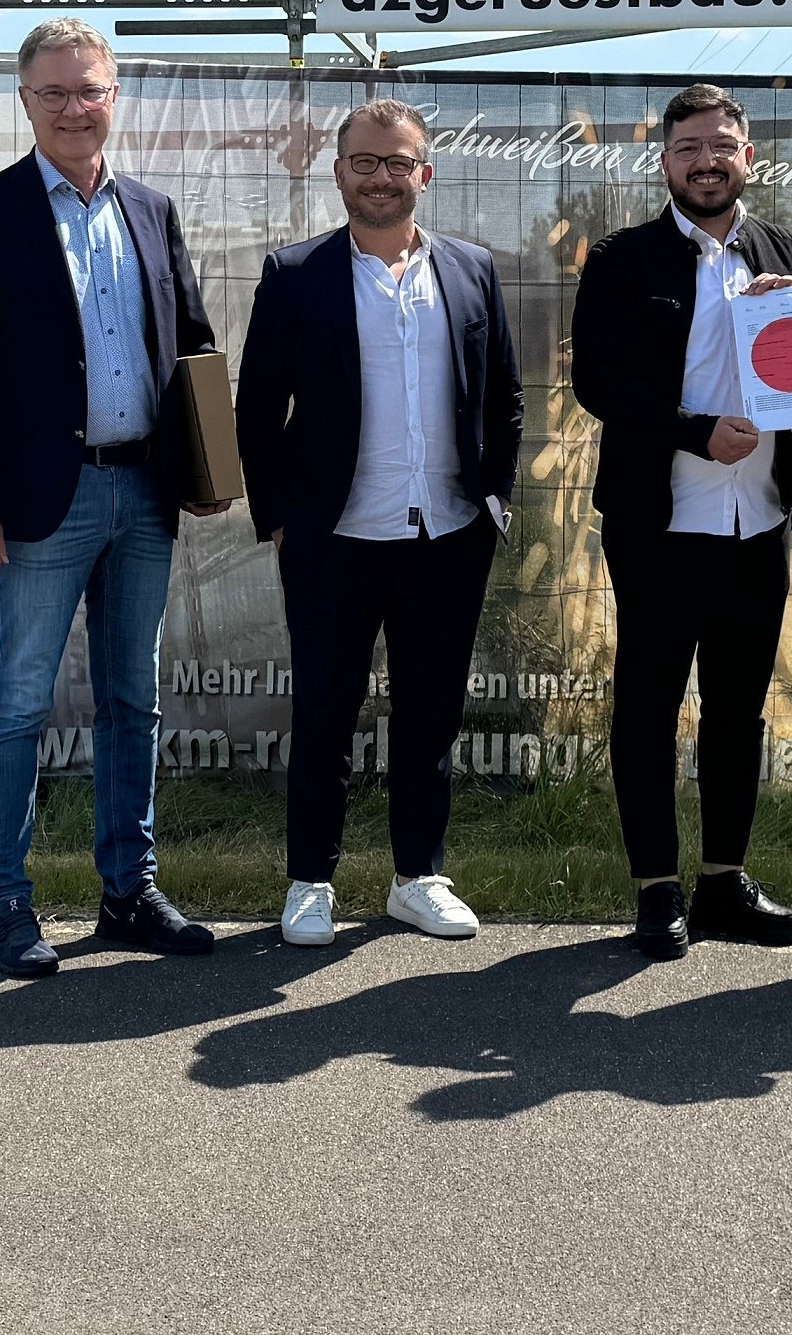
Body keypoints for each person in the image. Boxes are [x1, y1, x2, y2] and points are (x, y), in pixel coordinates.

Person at [0, 20, 229, 978]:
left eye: (87, 90)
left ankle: (128, 896)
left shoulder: (151, 209)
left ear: (114, 95)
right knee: (19, 706)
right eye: (52, 93)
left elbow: (192, 344)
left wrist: (209, 468)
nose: (72, 107)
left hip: (143, 491)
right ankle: (7, 910)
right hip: (35, 504)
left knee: (132, 702)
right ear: (25, 102)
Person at [232, 100, 524, 950]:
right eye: (366, 162)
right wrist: (282, 518)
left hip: (449, 532)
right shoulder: (295, 275)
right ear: (339, 174)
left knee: (431, 715)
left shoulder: (471, 270)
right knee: (325, 714)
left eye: (399, 163)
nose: (382, 177)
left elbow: (504, 396)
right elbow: (258, 411)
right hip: (334, 537)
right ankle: (311, 883)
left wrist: (494, 497)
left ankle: (417, 876)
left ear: (424, 174)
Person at [568, 83, 792, 960]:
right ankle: (654, 888)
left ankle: (722, 882)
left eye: (722, 145)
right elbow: (598, 383)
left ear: (748, 156)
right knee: (647, 705)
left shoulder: (786, 250)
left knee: (738, 710)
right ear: (664, 162)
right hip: (657, 523)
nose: (706, 161)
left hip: (758, 522)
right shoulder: (621, 258)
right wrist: (692, 434)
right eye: (687, 149)